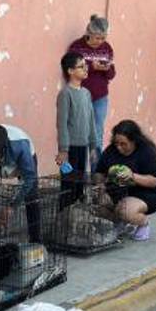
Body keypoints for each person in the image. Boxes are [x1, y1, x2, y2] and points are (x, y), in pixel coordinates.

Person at [94, 119, 156, 241]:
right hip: (118, 191)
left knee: (125, 210)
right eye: (116, 143)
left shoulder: (147, 151)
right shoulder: (111, 150)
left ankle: (143, 223)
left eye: (123, 144)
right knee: (98, 205)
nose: (119, 147)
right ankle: (120, 223)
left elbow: (153, 181)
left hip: (146, 193)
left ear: (134, 141)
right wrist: (100, 184)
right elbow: (99, 172)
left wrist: (132, 176)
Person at [55, 52, 100, 210]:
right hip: (70, 148)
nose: (85, 69)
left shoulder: (86, 94)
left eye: (85, 66)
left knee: (80, 184)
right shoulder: (65, 94)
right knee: (68, 185)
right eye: (81, 67)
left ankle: (77, 216)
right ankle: (64, 217)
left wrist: (93, 145)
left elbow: (91, 120)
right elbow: (62, 123)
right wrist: (63, 149)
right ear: (70, 71)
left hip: (84, 146)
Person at [67, 15, 115, 155]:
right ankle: (77, 171)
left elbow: (111, 74)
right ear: (88, 33)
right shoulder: (77, 47)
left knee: (97, 133)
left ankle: (96, 171)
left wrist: (107, 69)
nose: (100, 42)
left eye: (103, 38)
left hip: (100, 97)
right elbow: (70, 71)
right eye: (97, 38)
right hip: (79, 95)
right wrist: (92, 67)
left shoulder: (107, 48)